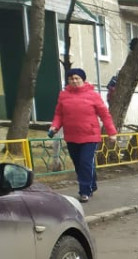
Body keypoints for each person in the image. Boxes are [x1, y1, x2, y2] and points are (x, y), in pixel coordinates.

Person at [48, 68, 117, 203]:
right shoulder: (63, 95)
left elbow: (105, 115)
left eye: (77, 78)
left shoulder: (93, 95)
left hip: (90, 135)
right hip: (72, 135)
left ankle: (84, 191)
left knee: (85, 162)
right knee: (79, 164)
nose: (74, 81)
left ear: (82, 79)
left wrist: (112, 132)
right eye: (71, 79)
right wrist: (54, 126)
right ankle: (92, 183)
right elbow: (59, 114)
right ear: (68, 81)